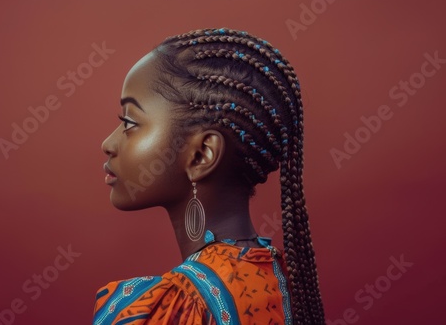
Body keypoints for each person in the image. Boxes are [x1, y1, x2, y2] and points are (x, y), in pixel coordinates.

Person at [93, 28, 325, 324]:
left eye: (129, 122)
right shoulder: (287, 280)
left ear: (202, 154)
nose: (108, 144)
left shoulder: (176, 309)